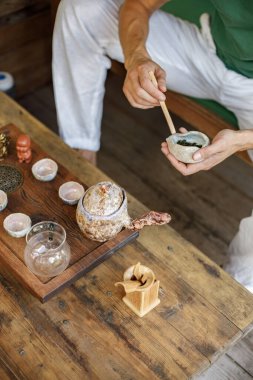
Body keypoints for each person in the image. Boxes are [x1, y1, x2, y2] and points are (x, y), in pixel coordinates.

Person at [52, 0, 253, 291]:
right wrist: (136, 58)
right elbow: (139, 5)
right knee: (82, 9)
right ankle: (81, 168)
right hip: (210, 52)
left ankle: (235, 291)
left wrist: (243, 140)